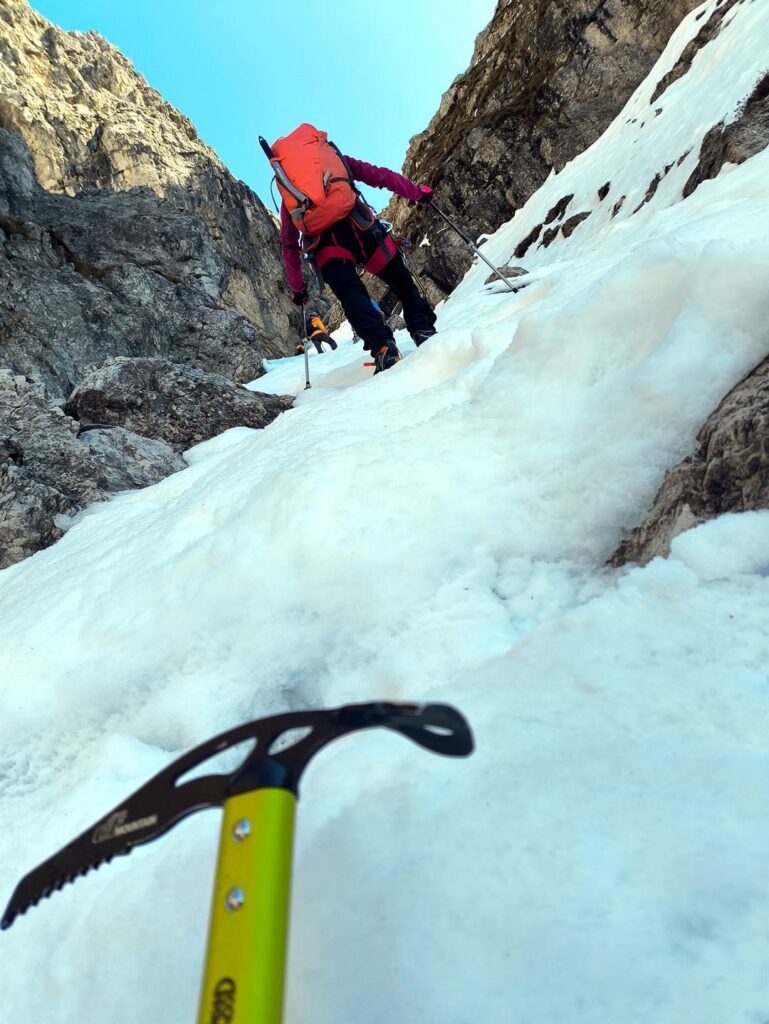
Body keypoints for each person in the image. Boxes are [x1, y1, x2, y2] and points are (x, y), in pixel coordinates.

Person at [273, 125, 437, 374]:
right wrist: (417, 193)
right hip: (361, 228)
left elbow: (289, 244)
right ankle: (423, 329)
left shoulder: (291, 193)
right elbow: (380, 176)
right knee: (400, 280)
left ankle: (383, 348)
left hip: (327, 246)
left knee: (352, 294)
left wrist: (298, 289)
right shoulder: (336, 162)